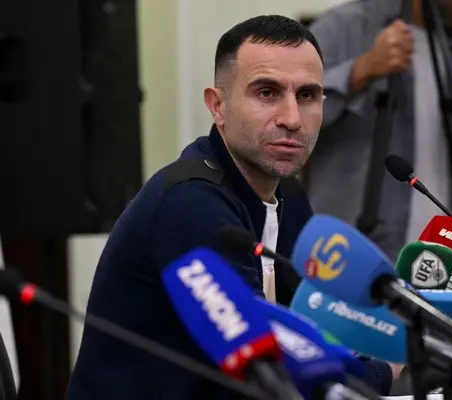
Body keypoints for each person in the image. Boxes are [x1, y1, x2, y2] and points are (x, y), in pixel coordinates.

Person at [66, 15, 395, 399]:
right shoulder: (190, 204)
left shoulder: (289, 198)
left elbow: (312, 336)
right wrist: (386, 369)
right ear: (217, 106)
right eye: (267, 93)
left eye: (306, 96)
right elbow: (276, 374)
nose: (292, 119)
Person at [305, 0, 452, 261]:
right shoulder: (345, 26)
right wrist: (362, 69)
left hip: (441, 260)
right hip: (346, 256)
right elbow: (294, 115)